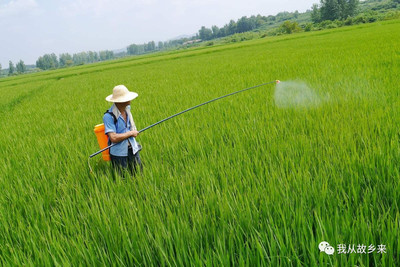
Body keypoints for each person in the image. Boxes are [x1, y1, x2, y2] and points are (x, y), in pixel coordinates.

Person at [103, 85, 142, 176]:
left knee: (139, 175)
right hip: (119, 154)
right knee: (122, 179)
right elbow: (113, 137)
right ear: (120, 101)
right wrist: (130, 133)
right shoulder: (108, 117)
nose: (130, 100)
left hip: (133, 149)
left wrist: (132, 131)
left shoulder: (127, 110)